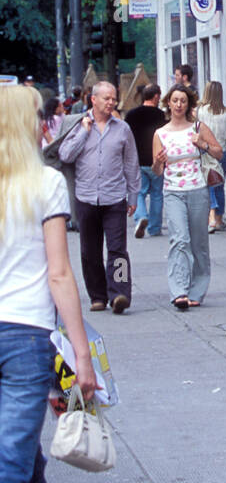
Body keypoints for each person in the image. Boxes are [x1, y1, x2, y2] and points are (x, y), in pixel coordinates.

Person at [0, 85, 97, 483]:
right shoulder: (46, 183)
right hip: (26, 338)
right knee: (10, 473)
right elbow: (61, 275)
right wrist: (82, 356)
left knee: (22, 467)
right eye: (42, 117)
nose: (48, 124)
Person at [57, 83, 140, 315]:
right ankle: (97, 295)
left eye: (114, 98)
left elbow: (131, 164)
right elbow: (65, 155)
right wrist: (84, 132)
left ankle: (119, 292)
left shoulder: (122, 129)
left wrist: (133, 195)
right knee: (89, 251)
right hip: (86, 197)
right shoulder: (77, 125)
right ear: (93, 99)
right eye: (106, 98)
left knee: (117, 250)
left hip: (114, 197)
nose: (111, 102)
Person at [152, 85, 223, 311]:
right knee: (179, 239)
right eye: (175, 100)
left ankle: (197, 290)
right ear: (168, 104)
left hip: (198, 190)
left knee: (199, 243)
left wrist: (201, 143)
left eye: (183, 100)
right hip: (172, 191)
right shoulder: (160, 134)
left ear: (188, 104)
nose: (179, 105)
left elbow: (218, 151)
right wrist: (158, 161)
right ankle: (179, 291)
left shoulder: (198, 127)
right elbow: (156, 170)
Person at [125, 84, 167, 239]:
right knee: (157, 194)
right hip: (156, 159)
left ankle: (141, 216)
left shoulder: (131, 115)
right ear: (155, 96)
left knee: (139, 192)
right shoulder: (160, 115)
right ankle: (155, 228)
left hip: (136, 160)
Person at [196, 81, 226, 233]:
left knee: (207, 183)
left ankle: (211, 216)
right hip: (222, 153)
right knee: (219, 184)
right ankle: (218, 219)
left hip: (205, 150)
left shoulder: (199, 111)